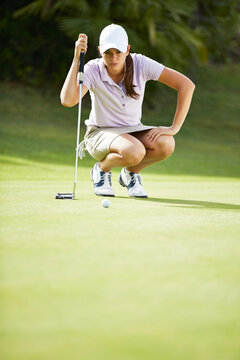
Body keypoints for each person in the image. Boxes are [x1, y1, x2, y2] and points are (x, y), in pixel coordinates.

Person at [60, 24, 195, 198]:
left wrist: (174, 128)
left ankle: (130, 174)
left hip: (132, 131)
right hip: (99, 134)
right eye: (108, 52)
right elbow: (67, 100)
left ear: (127, 50)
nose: (113, 58)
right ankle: (101, 170)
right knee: (135, 151)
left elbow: (186, 85)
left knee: (166, 144)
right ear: (100, 51)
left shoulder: (140, 63)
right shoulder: (93, 69)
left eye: (118, 52)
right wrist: (77, 60)